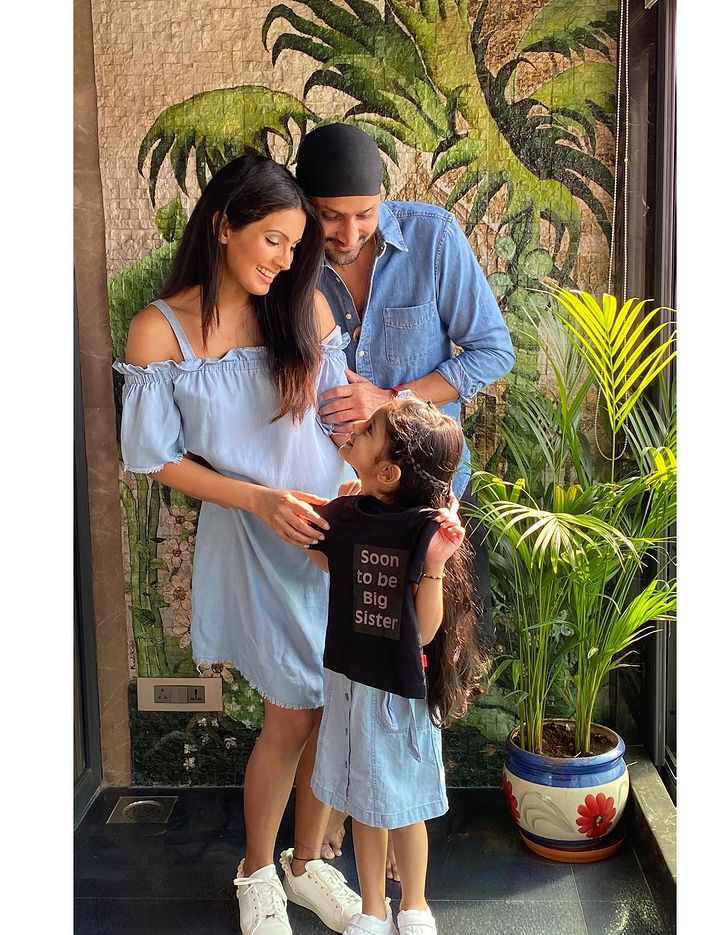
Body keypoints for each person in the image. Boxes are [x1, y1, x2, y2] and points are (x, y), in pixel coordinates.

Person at [114, 154, 364, 935]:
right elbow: (155, 458)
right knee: (291, 714)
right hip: (255, 540)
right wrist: (258, 498)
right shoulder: (159, 330)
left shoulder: (302, 307)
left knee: (336, 706)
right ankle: (257, 870)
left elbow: (343, 420)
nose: (285, 260)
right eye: (272, 240)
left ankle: (306, 863)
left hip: (333, 533)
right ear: (223, 225)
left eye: (295, 246)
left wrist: (370, 490)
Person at [295, 121, 515, 873]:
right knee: (337, 662)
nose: (348, 232)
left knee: (414, 666)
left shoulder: (433, 238)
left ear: (384, 197)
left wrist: (388, 398)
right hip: (335, 504)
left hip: (420, 508)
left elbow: (491, 350)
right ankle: (330, 826)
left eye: (365, 213)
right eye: (330, 216)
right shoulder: (288, 253)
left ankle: (398, 826)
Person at [304, 396, 486, 935]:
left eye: (368, 430)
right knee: (366, 806)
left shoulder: (422, 529)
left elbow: (424, 632)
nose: (356, 426)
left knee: (405, 807)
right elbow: (319, 556)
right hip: (351, 678)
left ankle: (415, 905)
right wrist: (340, 518)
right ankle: (373, 909)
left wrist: (435, 565)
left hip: (398, 691)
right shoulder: (348, 512)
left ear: (388, 473)